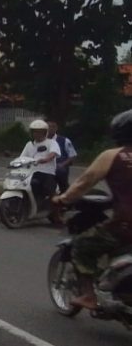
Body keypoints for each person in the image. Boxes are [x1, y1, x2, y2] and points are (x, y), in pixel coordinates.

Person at [53, 108, 132, 310]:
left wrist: (62, 199)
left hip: (124, 225)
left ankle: (89, 296)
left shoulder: (113, 156)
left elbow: (84, 182)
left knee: (81, 246)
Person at [18, 120, 61, 207]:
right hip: (30, 173)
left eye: (39, 132)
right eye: (34, 131)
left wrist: (45, 159)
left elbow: (53, 153)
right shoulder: (29, 144)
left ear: (45, 132)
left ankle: (55, 210)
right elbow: (22, 158)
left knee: (49, 189)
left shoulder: (51, 142)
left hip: (46, 173)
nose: (36, 134)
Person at [47, 121, 78, 194]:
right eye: (48, 127)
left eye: (52, 127)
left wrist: (62, 164)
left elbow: (73, 155)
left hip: (60, 167)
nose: (50, 129)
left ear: (56, 128)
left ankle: (66, 195)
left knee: (63, 185)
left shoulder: (64, 140)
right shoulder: (42, 140)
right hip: (46, 167)